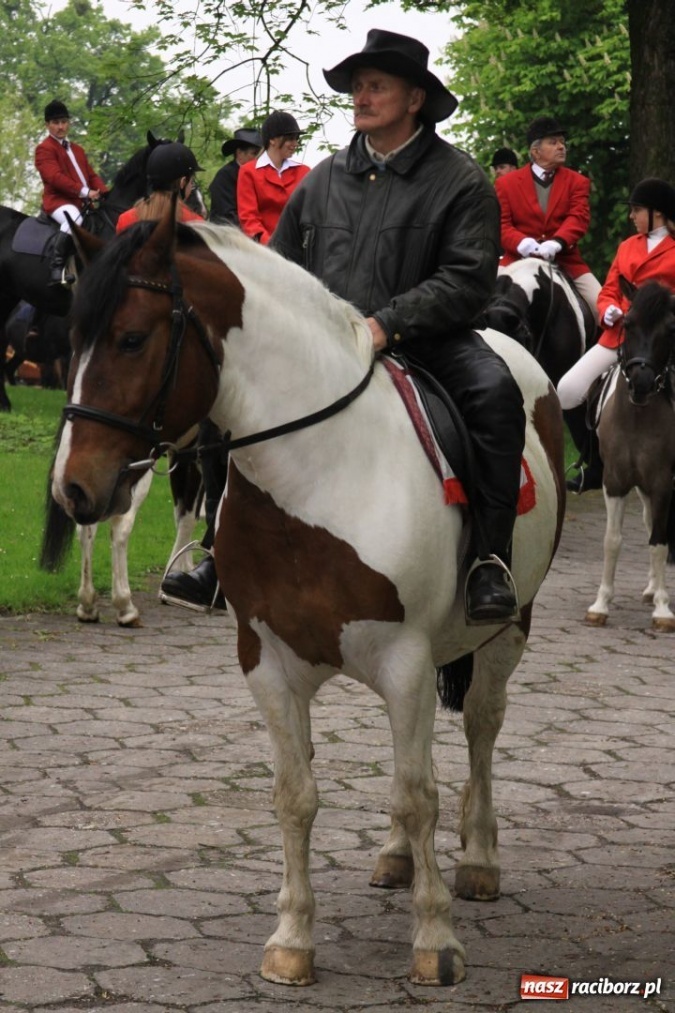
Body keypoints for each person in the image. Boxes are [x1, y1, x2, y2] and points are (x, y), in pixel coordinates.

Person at [271, 28, 526, 624]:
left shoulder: (460, 181)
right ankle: (213, 547)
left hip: (428, 344)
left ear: (415, 99)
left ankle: (491, 560)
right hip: (323, 349)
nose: (360, 97)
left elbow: (466, 280)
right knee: (230, 387)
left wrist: (385, 326)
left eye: (376, 86)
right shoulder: (321, 180)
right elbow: (280, 271)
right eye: (357, 87)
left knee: (495, 394)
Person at [557, 177, 675, 491]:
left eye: (636, 210)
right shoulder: (627, 247)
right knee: (567, 391)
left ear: (657, 213)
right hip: (622, 335)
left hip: (662, 341)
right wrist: (608, 307)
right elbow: (609, 289)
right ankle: (596, 464)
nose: (631, 217)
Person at [495, 116, 601, 320]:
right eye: (553, 142)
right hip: (516, 259)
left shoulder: (578, 182)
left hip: (565, 260)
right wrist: (522, 242)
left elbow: (578, 218)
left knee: (602, 310)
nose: (561, 147)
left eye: (562, 142)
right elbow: (501, 225)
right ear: (536, 152)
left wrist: (557, 242)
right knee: (478, 304)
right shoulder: (505, 184)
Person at [35, 99, 109, 286]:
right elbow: (55, 178)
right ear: (48, 125)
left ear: (69, 122)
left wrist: (105, 193)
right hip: (59, 202)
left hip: (83, 201)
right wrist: (85, 192)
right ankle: (57, 267)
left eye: (64, 122)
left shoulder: (77, 149)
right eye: (55, 123)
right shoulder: (44, 149)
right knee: (74, 219)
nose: (60, 127)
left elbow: (91, 176)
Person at [236, 110, 310, 245]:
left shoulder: (304, 172)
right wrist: (270, 246)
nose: (295, 144)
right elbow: (249, 218)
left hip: (298, 250)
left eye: (296, 139)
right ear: (272, 140)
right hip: (264, 251)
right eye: (290, 138)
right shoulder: (248, 172)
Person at [115, 142, 205, 232]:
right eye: (191, 181)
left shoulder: (125, 220)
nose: (191, 185)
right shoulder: (197, 224)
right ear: (183, 182)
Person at [209, 128, 263, 225]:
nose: (258, 158)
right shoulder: (225, 176)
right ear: (239, 154)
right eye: (254, 153)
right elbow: (227, 216)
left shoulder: (261, 175)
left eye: (261, 154)